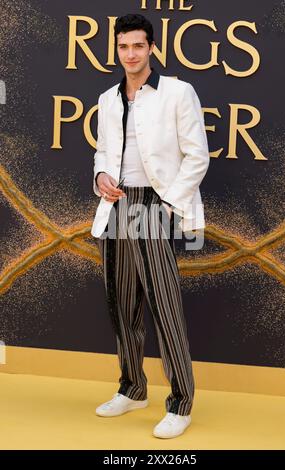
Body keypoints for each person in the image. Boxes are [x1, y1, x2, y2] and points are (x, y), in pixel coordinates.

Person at [91, 13, 210, 439]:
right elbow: (103, 151)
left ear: (151, 48)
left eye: (138, 45)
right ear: (117, 49)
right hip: (116, 206)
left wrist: (167, 204)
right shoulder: (107, 98)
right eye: (123, 46)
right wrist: (101, 176)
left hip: (154, 205)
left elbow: (198, 155)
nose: (130, 53)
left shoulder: (178, 92)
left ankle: (180, 403)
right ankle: (133, 388)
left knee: (163, 305)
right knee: (121, 305)